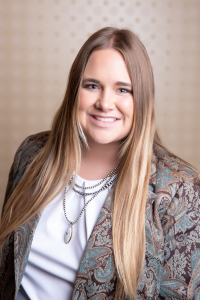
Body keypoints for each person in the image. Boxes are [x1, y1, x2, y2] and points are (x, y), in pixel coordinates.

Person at [0, 26, 200, 300]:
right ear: (74, 90)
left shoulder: (181, 189)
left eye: (123, 90)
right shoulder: (32, 154)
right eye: (92, 86)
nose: (105, 103)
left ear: (141, 99)